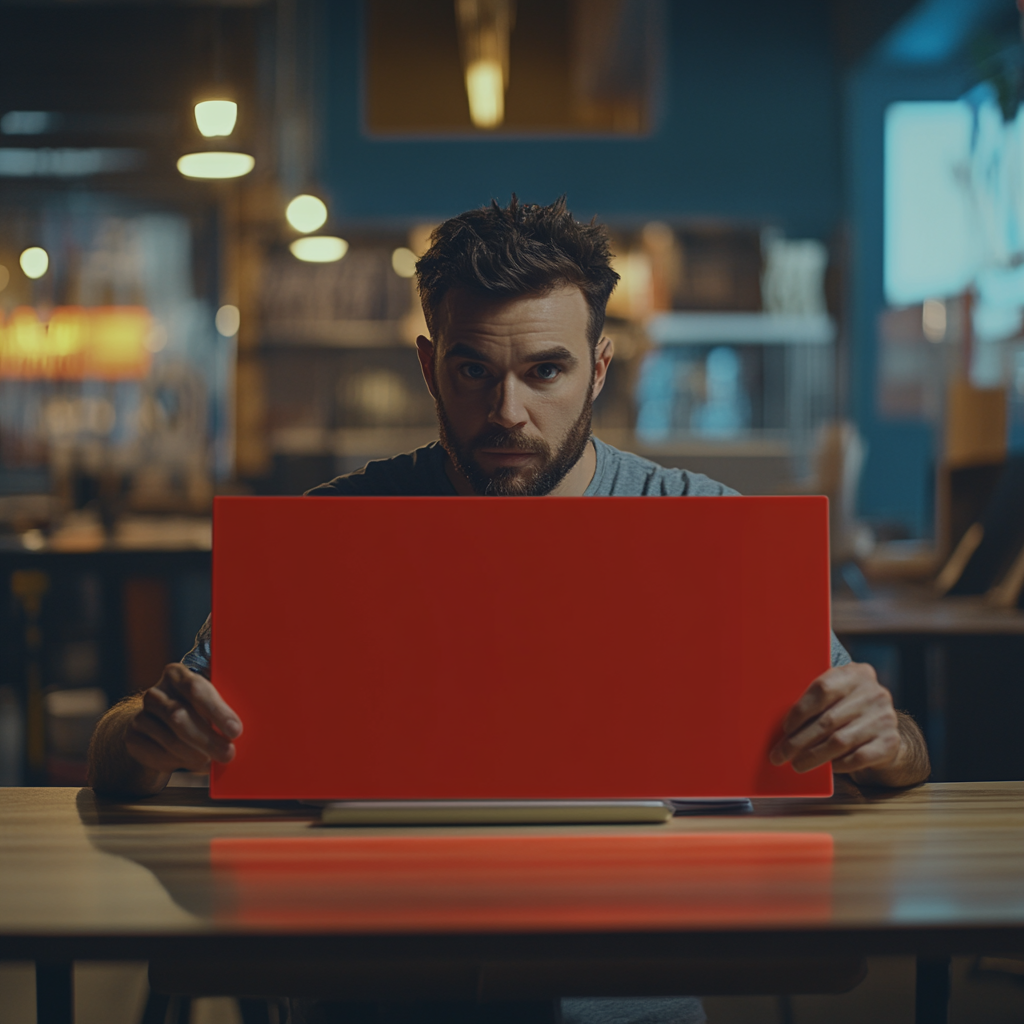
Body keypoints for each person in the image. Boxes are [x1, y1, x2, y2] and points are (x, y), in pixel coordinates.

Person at [87, 195, 929, 1024]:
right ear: (429, 367)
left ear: (599, 367)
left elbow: (901, 758)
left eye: (546, 371)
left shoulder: (700, 527)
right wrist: (150, 734)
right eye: (473, 372)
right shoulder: (336, 531)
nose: (507, 412)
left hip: (627, 986)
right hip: (373, 984)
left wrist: (883, 739)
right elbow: (121, 747)